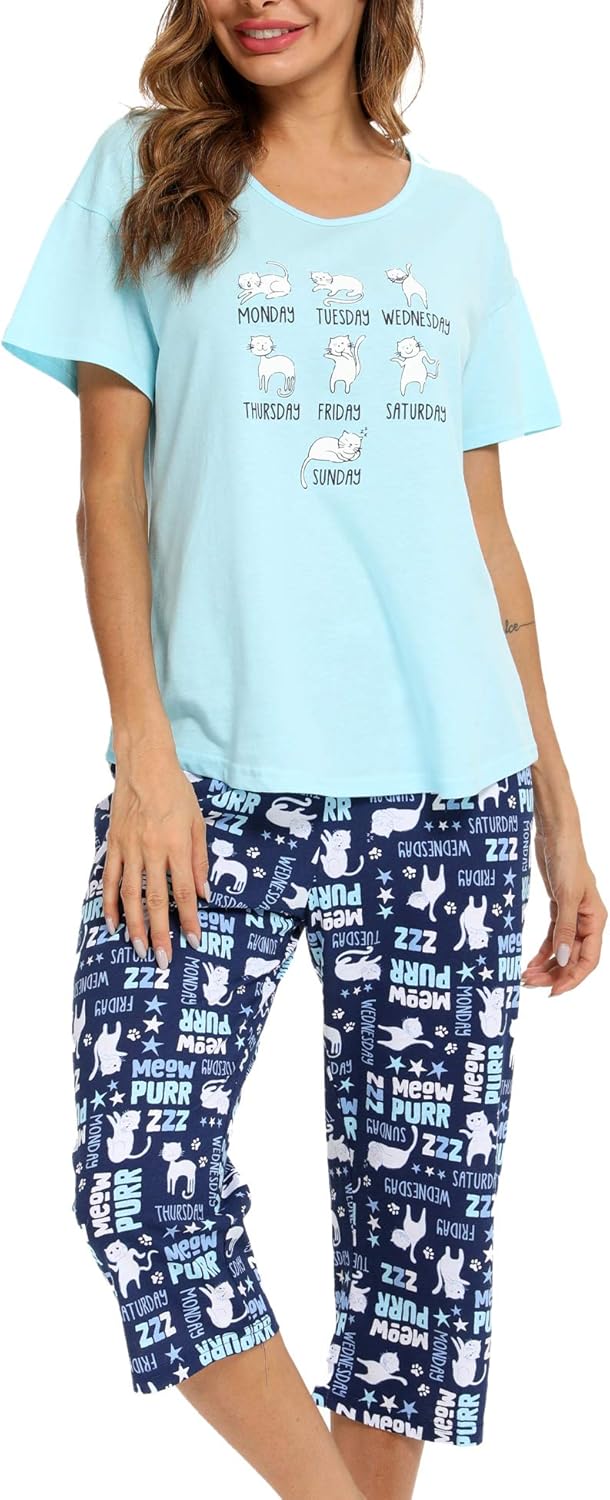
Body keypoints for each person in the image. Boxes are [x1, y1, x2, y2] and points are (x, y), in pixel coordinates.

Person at [2, 3, 606, 1498]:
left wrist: (557, 806)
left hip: (448, 792)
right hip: (209, 786)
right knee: (141, 1180)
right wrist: (144, 755)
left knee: (418, 1241)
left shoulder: (461, 225)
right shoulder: (148, 171)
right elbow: (107, 493)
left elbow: (484, 532)